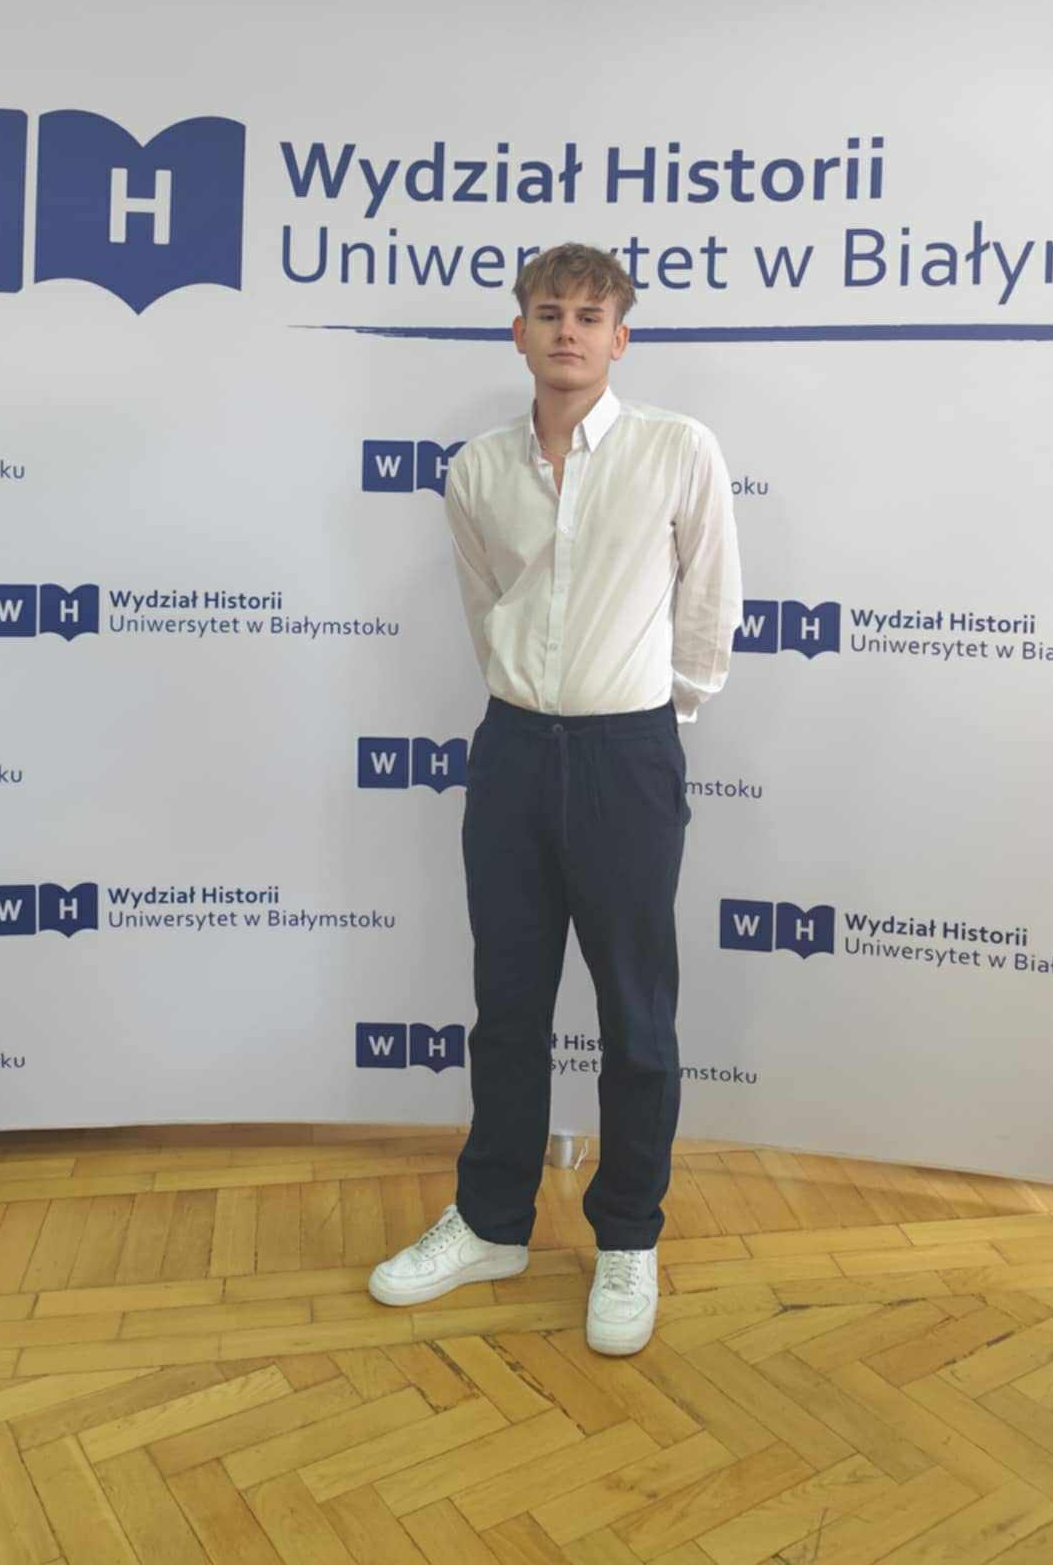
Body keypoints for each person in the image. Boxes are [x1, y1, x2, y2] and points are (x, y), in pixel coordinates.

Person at [368, 242, 743, 1354]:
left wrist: (652, 716)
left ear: (620, 336)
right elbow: (487, 603)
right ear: (519, 332)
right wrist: (539, 707)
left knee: (636, 1012)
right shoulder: (478, 469)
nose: (568, 330)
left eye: (589, 314)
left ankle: (627, 1236)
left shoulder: (679, 449)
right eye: (548, 311)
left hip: (629, 754)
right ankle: (493, 1223)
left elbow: (709, 607)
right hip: (513, 752)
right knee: (507, 1005)